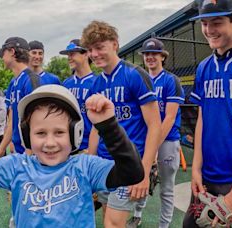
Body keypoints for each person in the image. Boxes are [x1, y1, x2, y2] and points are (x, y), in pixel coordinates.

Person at [0, 84, 145, 227]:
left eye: (59, 132)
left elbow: (132, 173)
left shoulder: (85, 167)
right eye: (40, 133)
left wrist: (109, 127)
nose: (50, 143)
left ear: (75, 133)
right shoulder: (17, 166)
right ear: (26, 135)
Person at [183, 0, 232, 227]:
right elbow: (202, 121)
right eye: (204, 23)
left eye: (216, 22)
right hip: (206, 178)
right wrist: (195, 169)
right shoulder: (204, 67)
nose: (209, 30)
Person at [81, 20, 162, 227]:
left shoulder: (134, 74)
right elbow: (95, 130)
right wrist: (88, 164)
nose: (95, 54)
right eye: (90, 50)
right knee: (107, 215)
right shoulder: (97, 84)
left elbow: (154, 125)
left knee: (113, 224)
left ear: (115, 44)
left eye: (100, 47)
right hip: (104, 165)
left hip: (129, 163)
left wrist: (143, 171)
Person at [134, 38, 185, 228]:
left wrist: (153, 147)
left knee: (166, 188)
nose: (150, 57)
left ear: (162, 57)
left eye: (154, 54)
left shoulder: (171, 80)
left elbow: (169, 118)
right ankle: (137, 215)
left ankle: (163, 225)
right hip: (144, 140)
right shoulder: (139, 79)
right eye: (147, 54)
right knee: (141, 178)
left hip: (167, 140)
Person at [0, 37, 58, 159]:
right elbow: (12, 120)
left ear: (12, 52)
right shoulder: (13, 83)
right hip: (20, 151)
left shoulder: (31, 80)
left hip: (33, 153)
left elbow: (40, 121)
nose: (2, 58)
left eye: (3, 54)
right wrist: (1, 148)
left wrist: (30, 152)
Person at [60, 38, 97, 154]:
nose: (69, 58)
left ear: (86, 54)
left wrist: (92, 150)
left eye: (72, 54)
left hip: (88, 147)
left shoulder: (97, 83)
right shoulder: (66, 84)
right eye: (68, 55)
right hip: (68, 146)